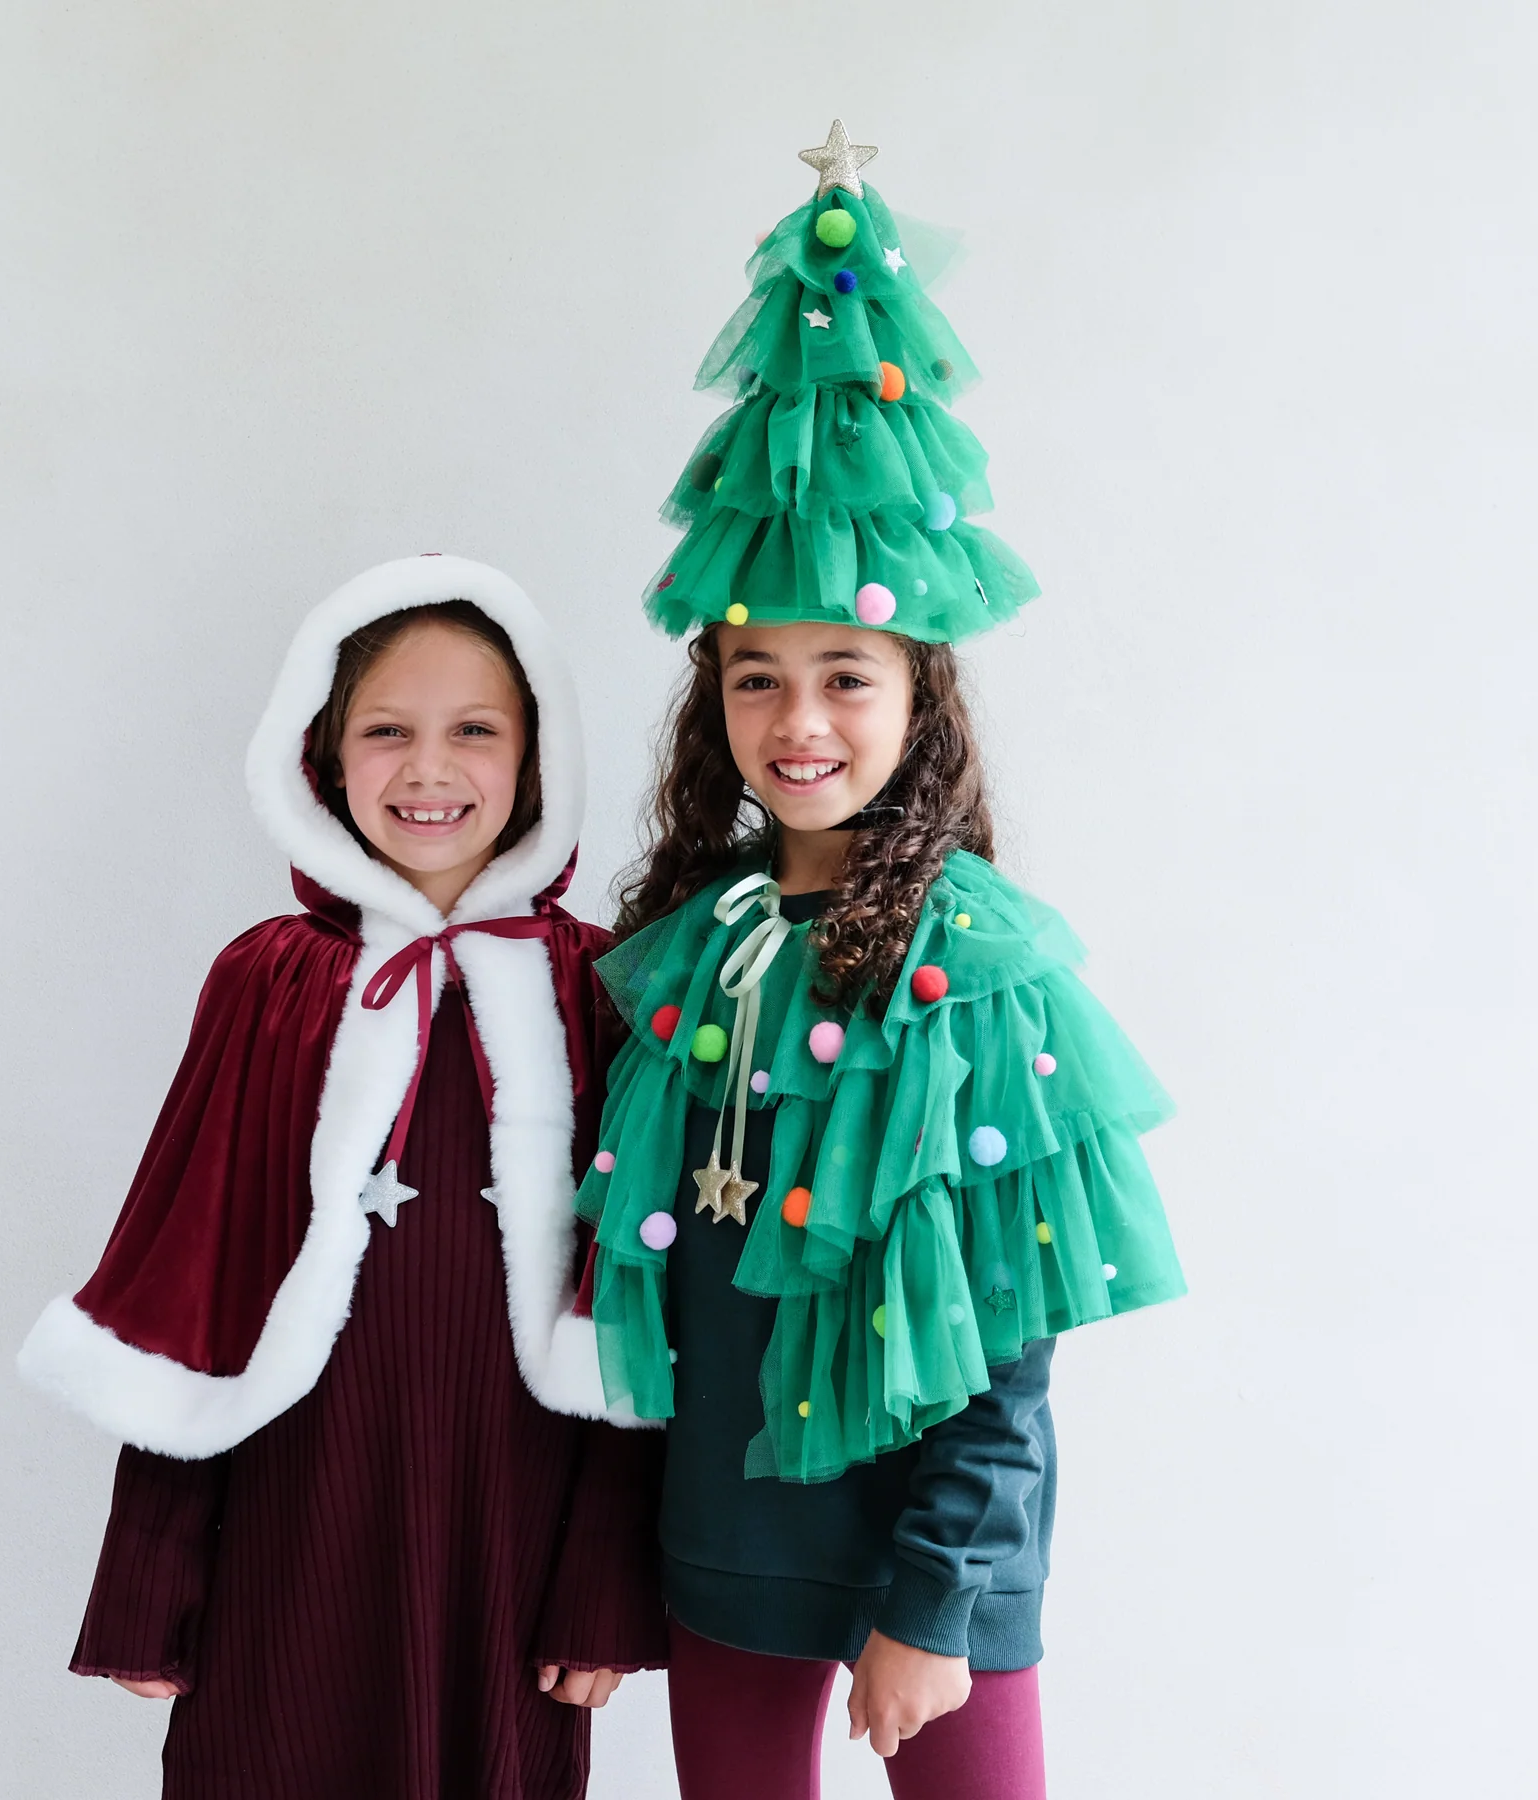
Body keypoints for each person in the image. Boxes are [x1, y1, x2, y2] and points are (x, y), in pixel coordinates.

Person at [574, 129, 1185, 1799]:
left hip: (931, 1574)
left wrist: (935, 1598)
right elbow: (638, 1298)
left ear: (920, 699)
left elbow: (1011, 1341)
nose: (800, 721)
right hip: (723, 1548)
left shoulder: (976, 966)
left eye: (846, 675)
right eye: (757, 679)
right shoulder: (690, 952)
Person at [19, 555, 666, 1800]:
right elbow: (194, 1279)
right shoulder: (270, 980)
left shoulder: (604, 991)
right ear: (320, 756)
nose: (429, 769)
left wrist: (607, 1578)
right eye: (387, 731)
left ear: (539, 760)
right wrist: (150, 1572)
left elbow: (632, 1299)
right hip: (290, 1514)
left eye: (474, 731)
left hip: (513, 1529)